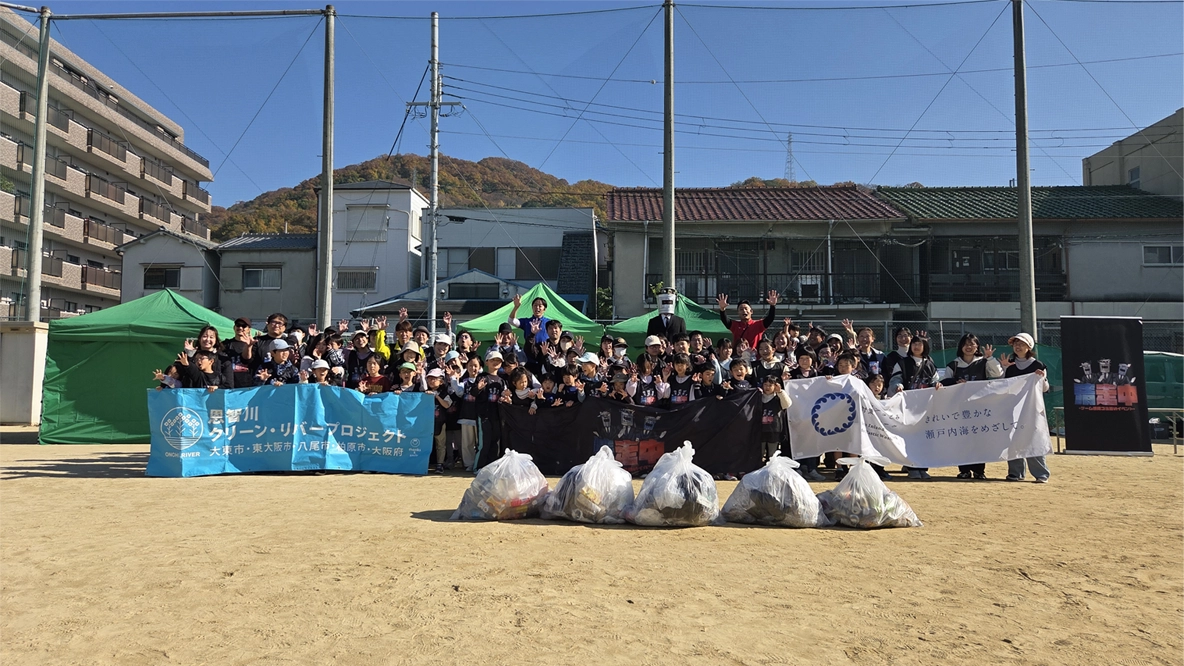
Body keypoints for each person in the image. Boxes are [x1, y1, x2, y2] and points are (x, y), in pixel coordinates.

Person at [939, 333, 1002, 480]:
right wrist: (955, 383)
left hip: (979, 408)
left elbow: (998, 373)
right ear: (961, 347)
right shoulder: (953, 365)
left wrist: (990, 358)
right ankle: (964, 470)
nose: (969, 347)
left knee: (979, 439)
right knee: (962, 438)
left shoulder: (983, 362)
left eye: (972, 344)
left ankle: (979, 471)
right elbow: (943, 384)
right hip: (960, 409)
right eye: (966, 344)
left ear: (977, 347)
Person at [1001, 332, 1051, 484]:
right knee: (1013, 439)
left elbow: (1044, 388)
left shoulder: (1038, 365)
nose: (1018, 346)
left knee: (1034, 438)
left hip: (1032, 410)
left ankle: (1041, 474)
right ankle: (1015, 473)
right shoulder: (1010, 366)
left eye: (1022, 344)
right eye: (1016, 344)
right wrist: (1003, 369)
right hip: (1013, 409)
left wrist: (1041, 378)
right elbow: (1003, 387)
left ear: (1029, 347)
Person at [890, 335, 940, 480]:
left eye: (920, 344)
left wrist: (937, 385)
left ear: (925, 347)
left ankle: (923, 466)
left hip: (925, 407)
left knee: (924, 438)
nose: (916, 346)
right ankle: (911, 466)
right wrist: (897, 386)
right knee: (910, 437)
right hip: (908, 407)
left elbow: (935, 381)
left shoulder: (930, 364)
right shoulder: (903, 363)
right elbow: (895, 379)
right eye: (914, 344)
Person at [473, 350, 507, 469]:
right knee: (484, 443)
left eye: (498, 360)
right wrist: (478, 388)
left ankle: (491, 468)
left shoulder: (502, 381)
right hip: (483, 415)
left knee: (495, 443)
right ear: (487, 362)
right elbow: (473, 393)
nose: (495, 362)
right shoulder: (482, 377)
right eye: (493, 360)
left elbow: (504, 397)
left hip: (496, 416)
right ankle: (478, 467)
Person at [452, 356, 484, 472]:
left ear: (480, 367)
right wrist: (453, 378)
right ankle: (469, 464)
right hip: (466, 416)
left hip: (479, 417)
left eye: (475, 365)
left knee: (480, 442)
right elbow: (458, 391)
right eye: (470, 365)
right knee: (467, 443)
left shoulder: (482, 380)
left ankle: (479, 463)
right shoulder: (464, 382)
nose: (473, 368)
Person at [425, 368, 453, 473]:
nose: (431, 381)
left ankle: (440, 464)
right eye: (429, 379)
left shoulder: (444, 393)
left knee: (440, 444)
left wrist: (437, 397)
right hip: (426, 423)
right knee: (426, 443)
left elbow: (447, 405)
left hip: (440, 422)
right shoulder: (424, 392)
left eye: (434, 379)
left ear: (441, 381)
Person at [759, 374, 792, 462]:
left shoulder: (778, 398)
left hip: (774, 430)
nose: (767, 387)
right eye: (765, 385)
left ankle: (771, 473)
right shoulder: (758, 397)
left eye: (770, 385)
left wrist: (780, 391)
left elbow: (787, 404)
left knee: (772, 456)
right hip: (759, 430)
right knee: (759, 453)